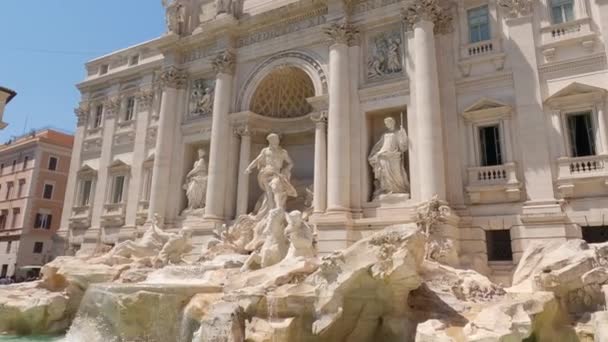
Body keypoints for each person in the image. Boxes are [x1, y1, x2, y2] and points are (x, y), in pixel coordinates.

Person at [245, 133, 297, 218]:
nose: (276, 141)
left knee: (275, 187)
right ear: (270, 141)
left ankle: (277, 208)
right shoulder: (265, 151)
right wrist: (249, 167)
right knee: (269, 192)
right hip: (266, 173)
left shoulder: (283, 152)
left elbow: (290, 163)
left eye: (277, 140)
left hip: (276, 173)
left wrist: (286, 169)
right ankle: (271, 210)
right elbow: (257, 159)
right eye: (274, 140)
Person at [368, 117, 409, 198]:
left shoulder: (398, 132)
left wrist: (403, 134)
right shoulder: (384, 134)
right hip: (383, 154)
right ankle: (387, 190)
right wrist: (376, 153)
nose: (387, 125)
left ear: (393, 122)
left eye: (388, 123)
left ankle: (398, 190)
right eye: (386, 123)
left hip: (394, 155)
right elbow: (380, 145)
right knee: (384, 173)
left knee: (396, 173)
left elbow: (403, 145)